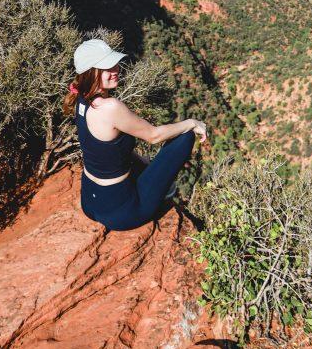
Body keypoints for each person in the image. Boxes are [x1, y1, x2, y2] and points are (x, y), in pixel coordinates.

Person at [64, 37, 207, 232]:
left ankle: (152, 180)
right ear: (91, 72)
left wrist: (146, 164)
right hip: (122, 212)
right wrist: (192, 122)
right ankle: (163, 190)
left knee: (144, 161)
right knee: (186, 135)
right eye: (107, 67)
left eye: (115, 64)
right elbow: (154, 136)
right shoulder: (110, 107)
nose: (116, 71)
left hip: (90, 201)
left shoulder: (81, 99)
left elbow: (107, 151)